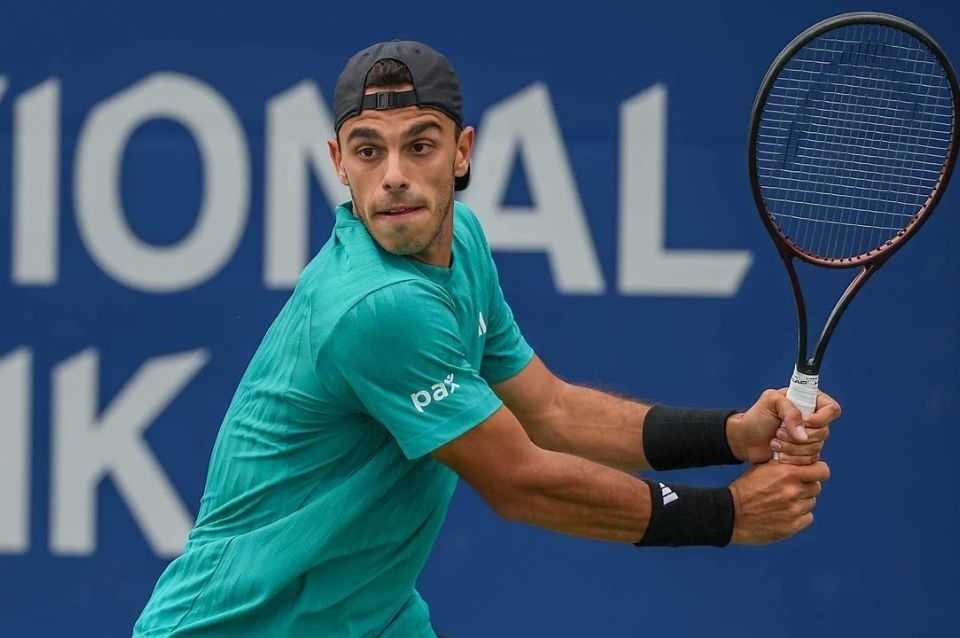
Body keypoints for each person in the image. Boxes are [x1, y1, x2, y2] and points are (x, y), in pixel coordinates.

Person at [131, 40, 841, 638]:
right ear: (339, 163)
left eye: (420, 145)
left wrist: (732, 435)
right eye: (368, 151)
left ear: (461, 153)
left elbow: (550, 410)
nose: (394, 177)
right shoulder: (379, 307)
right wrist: (728, 514)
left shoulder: (461, 242)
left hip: (366, 617)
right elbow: (519, 481)